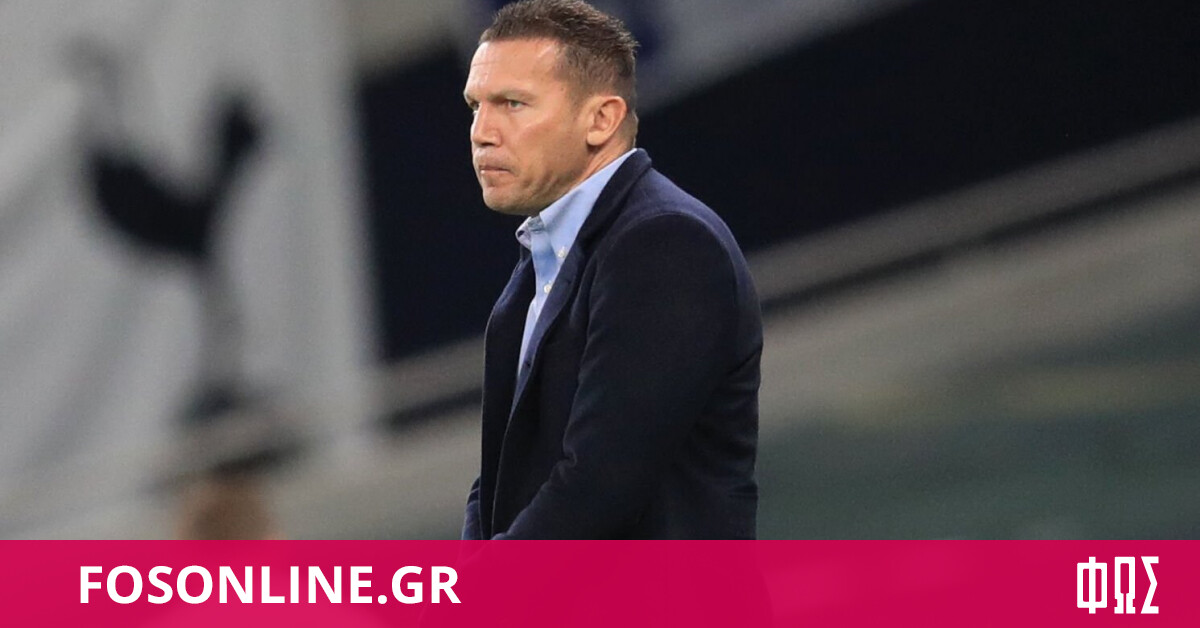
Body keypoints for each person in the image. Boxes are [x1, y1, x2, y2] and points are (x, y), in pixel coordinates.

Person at [460, 0, 762, 539]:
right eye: (475, 106)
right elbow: (499, 482)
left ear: (601, 119)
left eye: (512, 103)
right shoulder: (545, 258)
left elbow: (599, 486)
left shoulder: (665, 244)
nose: (482, 132)